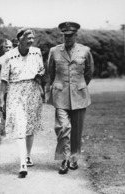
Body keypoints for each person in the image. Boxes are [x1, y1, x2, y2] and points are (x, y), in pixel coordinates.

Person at [45, 22, 94, 174]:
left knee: (77, 130)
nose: (67, 38)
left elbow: (89, 72)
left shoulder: (85, 51)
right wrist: (54, 85)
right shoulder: (54, 51)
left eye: (70, 35)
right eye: (65, 35)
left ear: (76, 35)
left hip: (79, 95)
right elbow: (51, 71)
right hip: (60, 95)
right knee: (63, 127)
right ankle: (64, 159)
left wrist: (80, 85)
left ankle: (74, 158)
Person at [0, 28, 45, 178]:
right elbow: (4, 79)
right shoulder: (9, 56)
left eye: (33, 38)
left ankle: (28, 156)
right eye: (28, 38)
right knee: (19, 126)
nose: (31, 40)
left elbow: (42, 69)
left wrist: (40, 75)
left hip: (33, 91)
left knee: (29, 126)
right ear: (19, 39)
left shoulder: (37, 52)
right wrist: (1, 99)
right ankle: (22, 164)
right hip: (15, 93)